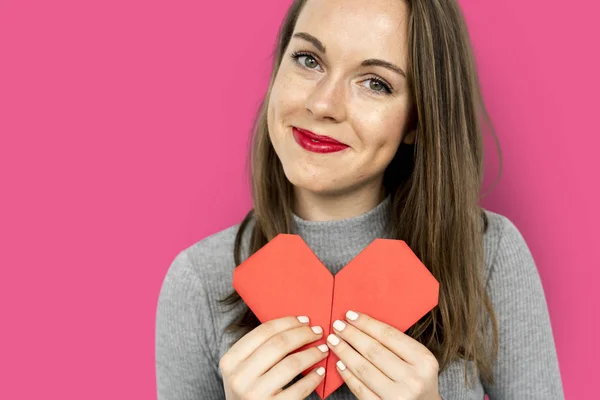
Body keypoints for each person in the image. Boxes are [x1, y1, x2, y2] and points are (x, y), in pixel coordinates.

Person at [155, 0, 565, 398]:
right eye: (308, 59)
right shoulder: (199, 280)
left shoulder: (489, 253)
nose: (322, 104)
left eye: (375, 83)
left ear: (417, 121)